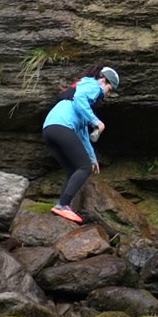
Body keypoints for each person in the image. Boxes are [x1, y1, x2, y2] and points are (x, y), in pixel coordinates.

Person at [42, 65, 120, 223]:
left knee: (73, 169)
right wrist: (97, 122)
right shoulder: (92, 85)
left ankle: (62, 206)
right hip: (61, 127)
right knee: (84, 168)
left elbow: (83, 133)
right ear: (103, 81)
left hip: (49, 130)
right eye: (109, 90)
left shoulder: (82, 101)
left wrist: (92, 158)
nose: (107, 94)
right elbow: (80, 100)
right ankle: (63, 205)